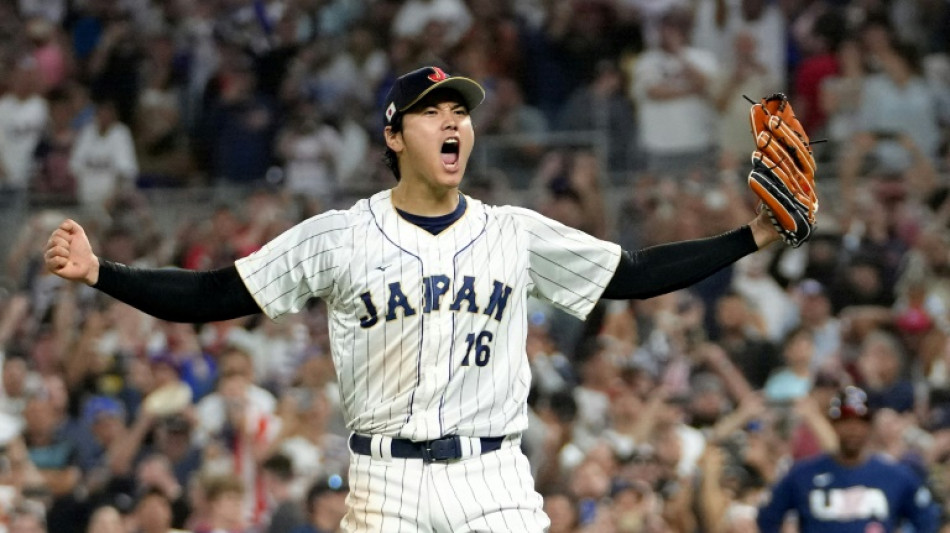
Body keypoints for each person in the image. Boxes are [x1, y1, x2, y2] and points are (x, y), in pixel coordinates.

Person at [45, 65, 786, 531]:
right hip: (385, 482)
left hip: (493, 477)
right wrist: (102, 272)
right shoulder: (340, 236)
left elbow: (632, 272)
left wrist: (752, 234)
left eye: (461, 111)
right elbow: (213, 294)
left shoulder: (513, 232)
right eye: (434, 111)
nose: (454, 121)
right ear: (395, 136)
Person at [756, 385, 939, 532]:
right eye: (845, 421)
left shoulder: (895, 476)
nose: (853, 429)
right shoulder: (802, 474)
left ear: (869, 426)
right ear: (833, 425)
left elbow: (928, 519)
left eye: (860, 422)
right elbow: (767, 518)